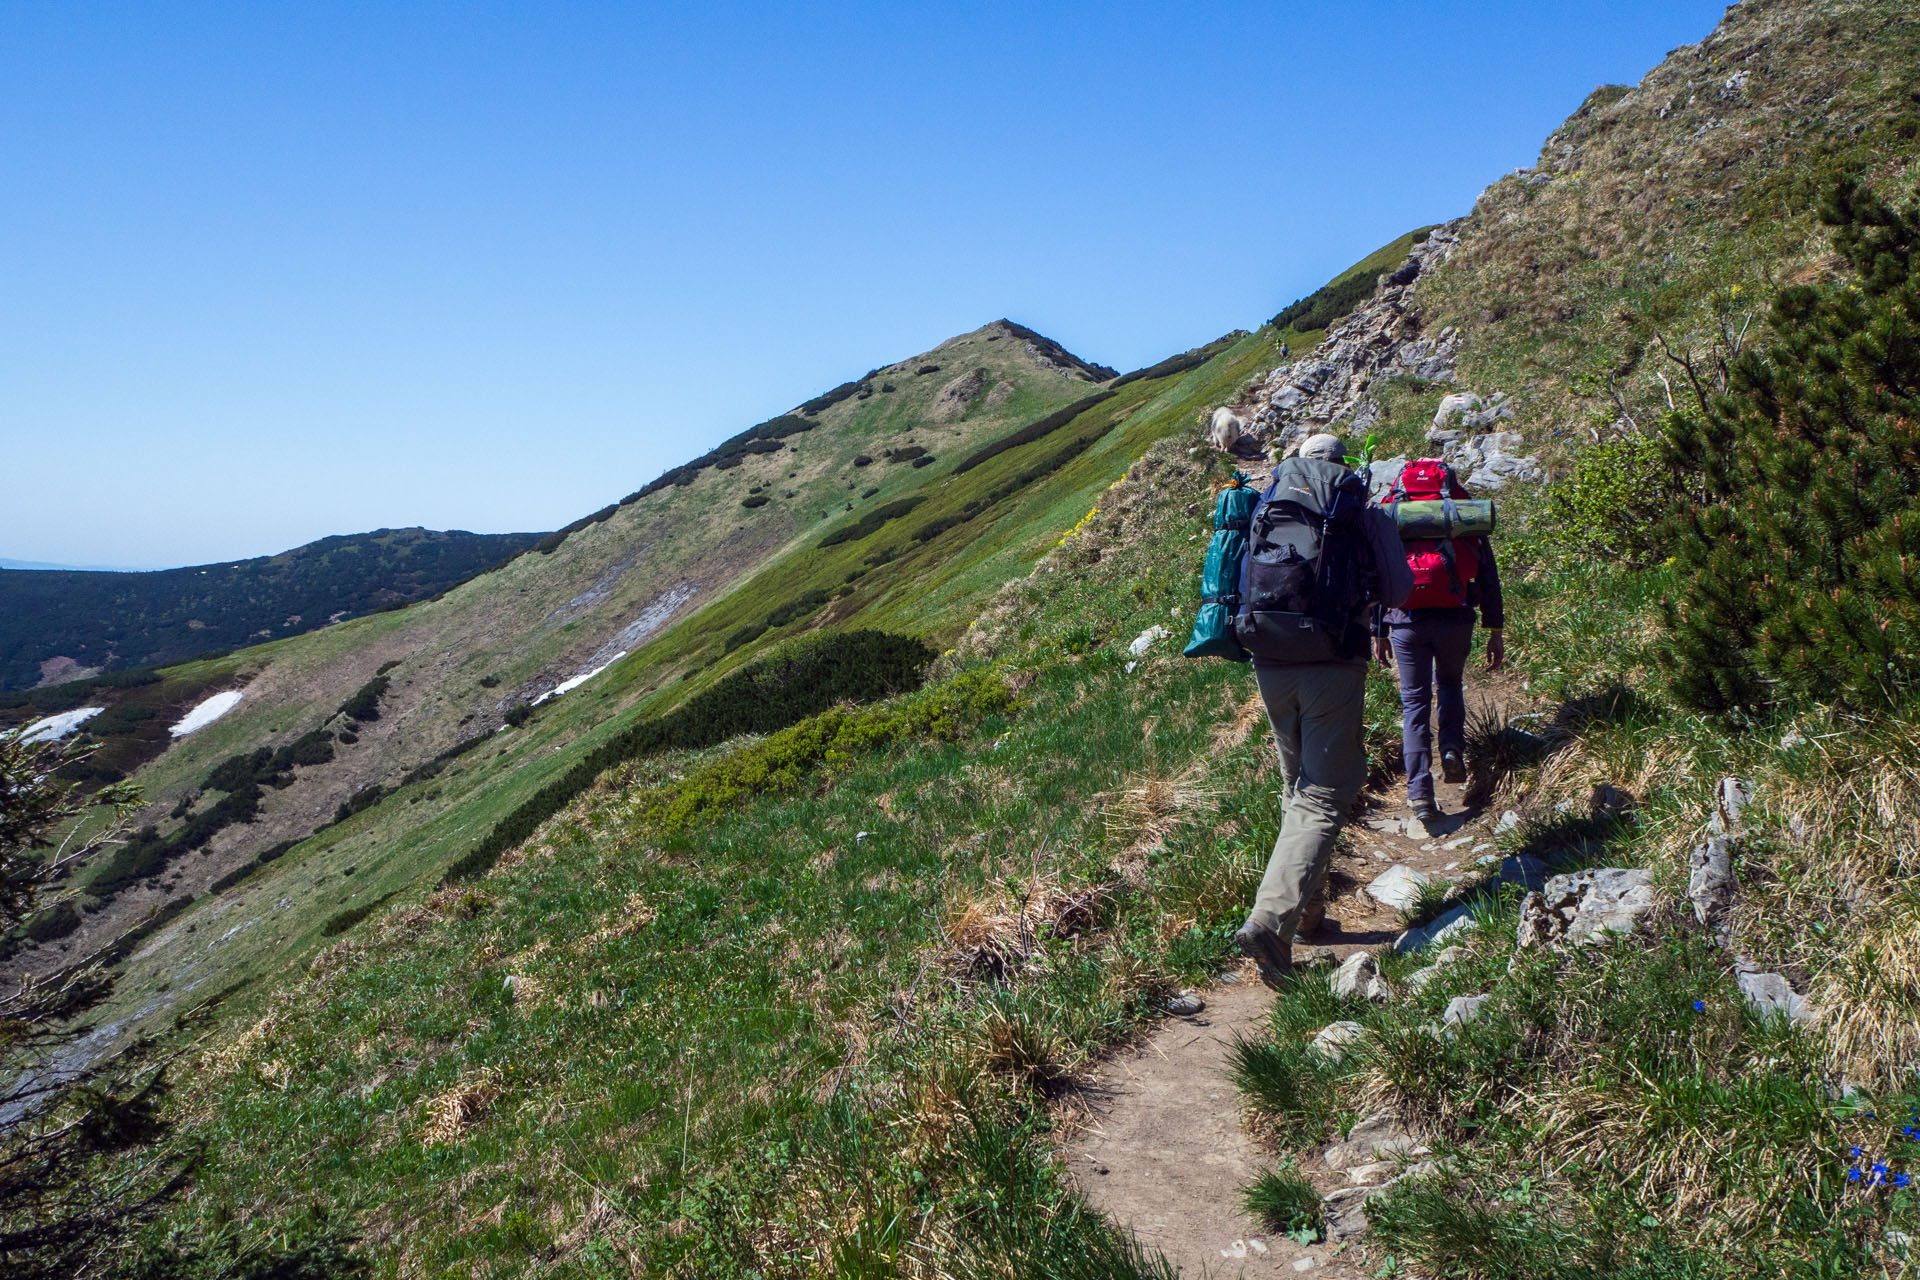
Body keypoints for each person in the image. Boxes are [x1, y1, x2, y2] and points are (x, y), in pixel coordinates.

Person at [1233, 433, 1412, 986]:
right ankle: (1270, 919)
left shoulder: (1270, 500)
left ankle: (1305, 917)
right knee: (1324, 794)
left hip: (1267, 655)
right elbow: (1400, 590)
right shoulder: (1360, 508)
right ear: (1343, 465)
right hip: (1332, 660)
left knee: (1299, 790)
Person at [1372, 462, 1506, 826]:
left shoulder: (1394, 516)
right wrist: (1495, 629)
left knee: (1414, 703)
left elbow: (1379, 572)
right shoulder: (1460, 515)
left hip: (1405, 621)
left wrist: (1379, 629)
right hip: (1456, 617)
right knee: (1448, 685)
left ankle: (1419, 793)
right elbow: (1488, 576)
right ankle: (1451, 748)